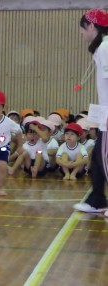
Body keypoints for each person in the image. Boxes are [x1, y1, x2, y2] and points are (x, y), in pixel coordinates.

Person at [73, 9, 108, 214]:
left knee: (104, 159)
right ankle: (97, 200)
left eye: (82, 28)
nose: (81, 33)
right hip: (103, 115)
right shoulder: (102, 48)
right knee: (97, 157)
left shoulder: (105, 48)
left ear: (91, 26)